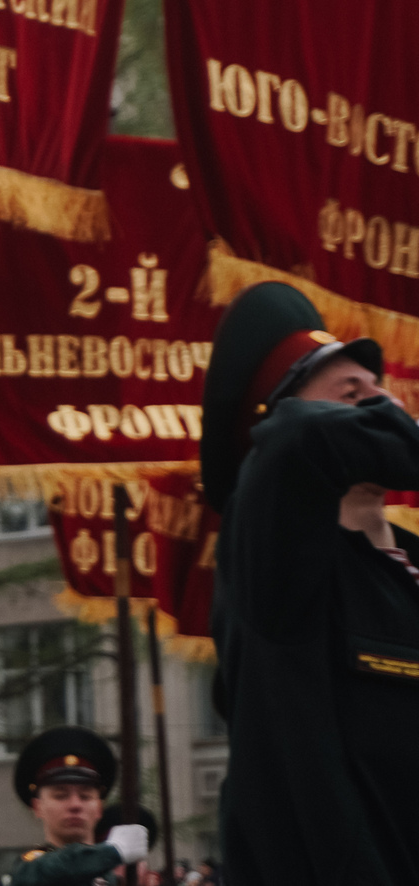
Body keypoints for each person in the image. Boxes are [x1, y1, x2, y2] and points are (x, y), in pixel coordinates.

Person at [201, 283, 419, 885]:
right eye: (352, 396)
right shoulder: (272, 563)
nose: (383, 408)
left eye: (382, 393)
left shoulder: (409, 562)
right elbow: (300, 443)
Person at [7, 727, 149, 885]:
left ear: (99, 808)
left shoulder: (110, 877)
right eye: (60, 796)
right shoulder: (32, 869)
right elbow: (55, 870)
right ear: (37, 806)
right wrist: (113, 851)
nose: (75, 805)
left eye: (85, 796)